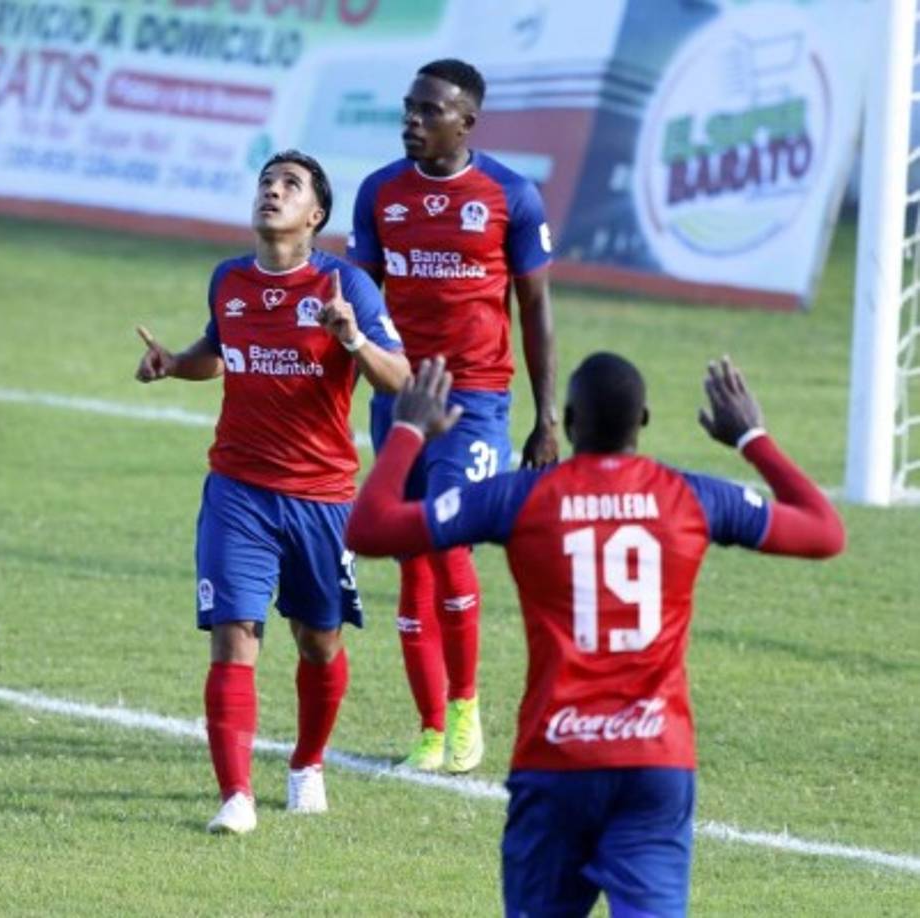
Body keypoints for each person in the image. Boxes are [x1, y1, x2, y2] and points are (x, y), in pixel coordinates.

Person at [346, 354, 845, 916]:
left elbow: (369, 528)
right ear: (645, 420)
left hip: (555, 763)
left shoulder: (521, 497)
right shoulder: (691, 497)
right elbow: (825, 531)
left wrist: (410, 427)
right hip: (655, 765)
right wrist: (751, 436)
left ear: (570, 420)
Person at [134, 150, 409, 834]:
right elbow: (217, 351)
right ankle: (236, 796)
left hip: (321, 499)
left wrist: (352, 341)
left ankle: (307, 764)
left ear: (315, 215)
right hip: (238, 490)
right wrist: (175, 365)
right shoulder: (228, 280)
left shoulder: (346, 286)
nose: (273, 192)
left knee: (318, 642)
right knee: (234, 636)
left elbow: (401, 379)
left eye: (290, 186)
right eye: (266, 182)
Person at [347, 58, 558, 773]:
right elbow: (360, 304)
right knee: (409, 556)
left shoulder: (510, 195)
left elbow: (535, 309)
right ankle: (431, 728)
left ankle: (466, 710)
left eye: (428, 111)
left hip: (475, 402)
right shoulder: (379, 194)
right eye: (408, 108)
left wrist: (547, 416)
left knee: (448, 543)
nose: (412, 121)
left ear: (466, 122)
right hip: (400, 397)